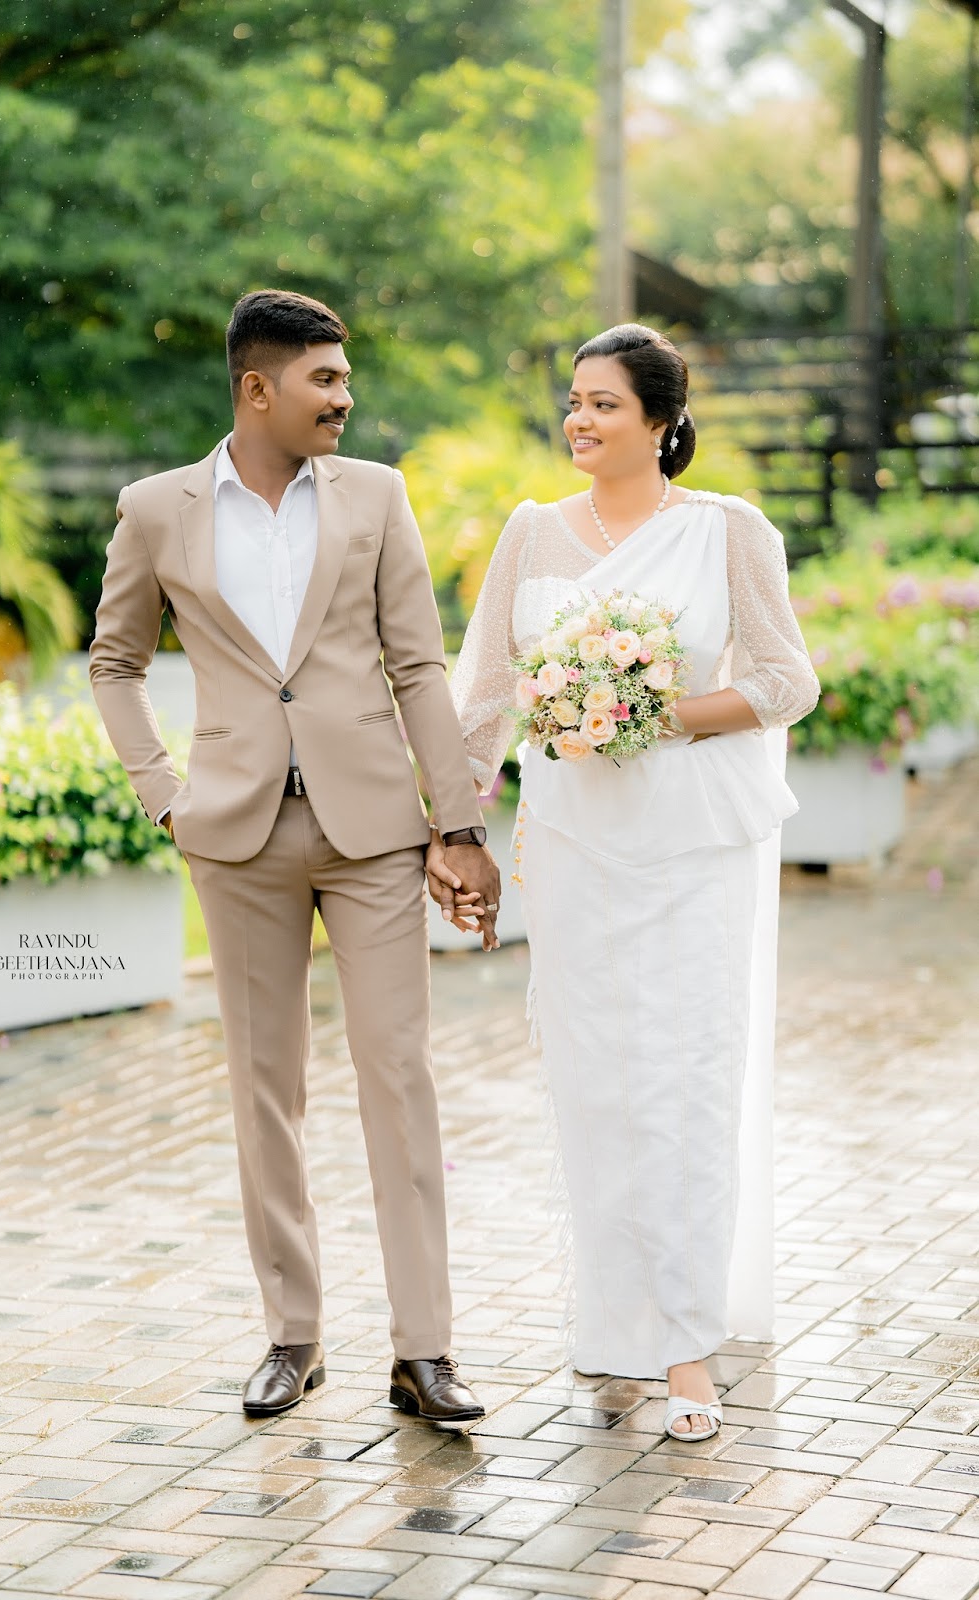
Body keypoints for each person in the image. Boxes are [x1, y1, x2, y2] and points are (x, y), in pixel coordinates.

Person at [89, 288, 501, 1423]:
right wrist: (160, 794)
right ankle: (293, 1335)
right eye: (325, 379)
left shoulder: (375, 495)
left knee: (397, 1075)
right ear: (256, 388)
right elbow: (113, 660)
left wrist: (457, 824)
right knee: (266, 1088)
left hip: (372, 832)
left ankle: (425, 1351)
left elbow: (418, 667)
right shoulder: (156, 509)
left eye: (346, 376)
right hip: (236, 833)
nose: (345, 396)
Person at [440, 324, 820, 1442]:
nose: (578, 420)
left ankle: (688, 1350)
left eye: (603, 404)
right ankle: (614, 1332)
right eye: (572, 401)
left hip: (692, 851)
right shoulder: (530, 533)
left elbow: (785, 678)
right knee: (598, 1090)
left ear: (659, 421)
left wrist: (653, 715)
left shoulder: (727, 532)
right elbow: (484, 692)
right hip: (571, 848)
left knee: (685, 1084)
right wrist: (454, 823)